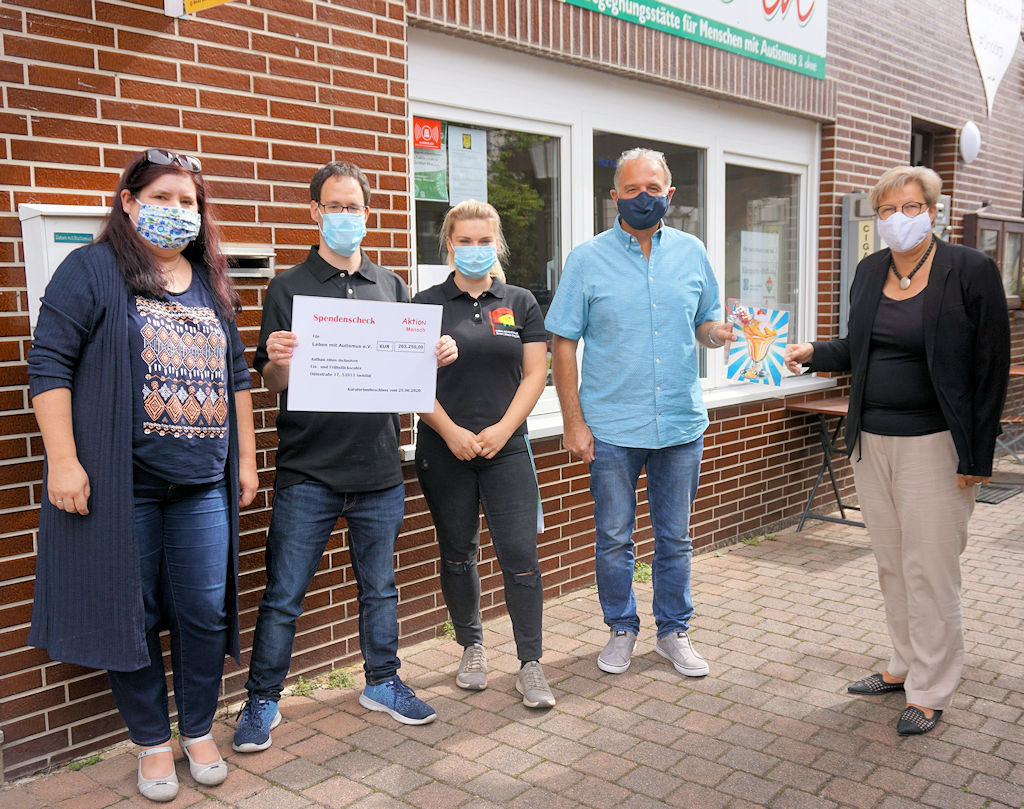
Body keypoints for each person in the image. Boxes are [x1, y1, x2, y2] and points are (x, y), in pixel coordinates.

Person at [28, 149, 258, 802]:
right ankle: (152, 741)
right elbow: (49, 365)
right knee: (133, 614)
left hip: (201, 486)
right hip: (123, 485)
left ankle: (197, 728)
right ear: (128, 202)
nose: (177, 211)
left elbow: (236, 373)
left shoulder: (210, 279)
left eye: (188, 202)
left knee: (204, 612)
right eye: (162, 197)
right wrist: (64, 460)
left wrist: (243, 458)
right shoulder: (92, 270)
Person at [233, 161, 458, 753]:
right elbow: (274, 383)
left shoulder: (392, 287)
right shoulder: (287, 287)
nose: (344, 216)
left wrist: (434, 352)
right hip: (309, 471)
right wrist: (277, 356)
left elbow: (410, 378)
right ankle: (263, 699)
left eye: (353, 207)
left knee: (380, 588)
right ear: (315, 213)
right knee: (284, 593)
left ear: (368, 212)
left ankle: (382, 682)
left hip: (381, 469)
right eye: (333, 206)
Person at [784, 165, 1009, 735]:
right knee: (891, 565)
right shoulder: (869, 271)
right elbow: (862, 349)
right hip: (871, 442)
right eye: (887, 210)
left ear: (933, 210)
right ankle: (904, 665)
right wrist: (815, 351)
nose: (897, 219)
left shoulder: (970, 271)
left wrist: (976, 458)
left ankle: (931, 689)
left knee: (930, 569)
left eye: (910, 208)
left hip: (935, 446)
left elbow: (990, 371)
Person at [546, 147, 734, 679]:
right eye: (632, 189)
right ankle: (622, 628)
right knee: (614, 537)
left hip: (678, 421)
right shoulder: (587, 259)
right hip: (611, 427)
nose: (643, 198)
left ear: (670, 195)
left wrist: (716, 335)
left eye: (653, 189)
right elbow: (562, 345)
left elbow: (704, 322)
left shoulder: (693, 252)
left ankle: (673, 632)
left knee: (674, 538)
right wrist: (573, 422)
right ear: (614, 197)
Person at [413, 200, 554, 708]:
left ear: (498, 245)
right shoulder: (423, 303)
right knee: (458, 554)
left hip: (507, 449)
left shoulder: (520, 302)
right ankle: (471, 645)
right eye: (465, 241)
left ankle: (531, 663)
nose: (475, 250)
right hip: (442, 447)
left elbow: (537, 374)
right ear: (449, 244)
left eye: (484, 241)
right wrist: (450, 430)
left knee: (520, 557)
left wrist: (501, 429)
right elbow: (406, 380)